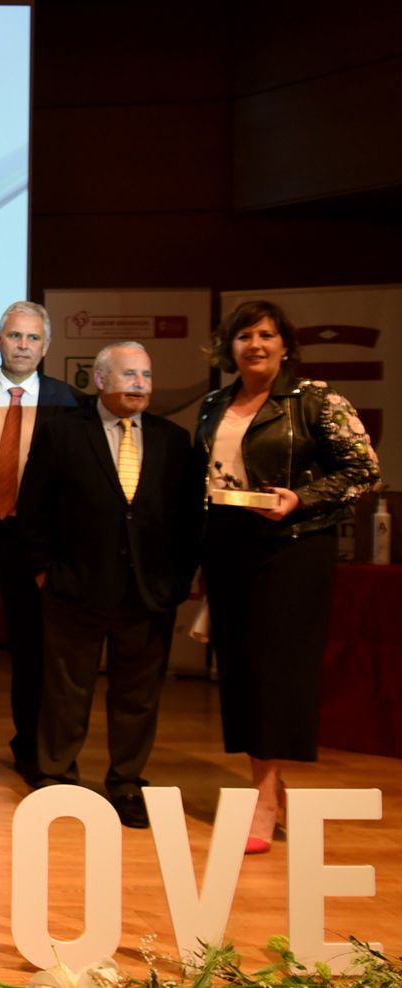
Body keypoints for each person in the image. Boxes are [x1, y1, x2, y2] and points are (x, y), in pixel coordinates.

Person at [195, 300, 381, 852]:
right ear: (228, 348)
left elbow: (365, 469)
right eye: (244, 335)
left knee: (276, 674)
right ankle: (268, 783)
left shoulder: (318, 401)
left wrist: (300, 498)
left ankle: (265, 798)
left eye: (266, 335)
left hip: (294, 551)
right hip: (230, 550)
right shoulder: (213, 405)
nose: (255, 344)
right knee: (243, 672)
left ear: (285, 344)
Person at [16, 342, 200, 828]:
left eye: (145, 375)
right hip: (74, 588)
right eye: (129, 375)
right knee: (65, 692)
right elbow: (33, 510)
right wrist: (44, 570)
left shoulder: (173, 440)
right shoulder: (62, 435)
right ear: (99, 381)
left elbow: (185, 521)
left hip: (147, 592)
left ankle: (126, 782)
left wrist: (178, 580)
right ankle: (57, 778)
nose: (140, 384)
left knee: (137, 697)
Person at [0, 301, 81, 782]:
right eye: (15, 337)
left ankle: (31, 747)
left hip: (34, 544)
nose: (23, 346)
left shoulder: (69, 401)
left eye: (33, 339)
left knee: (34, 650)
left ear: (46, 347)